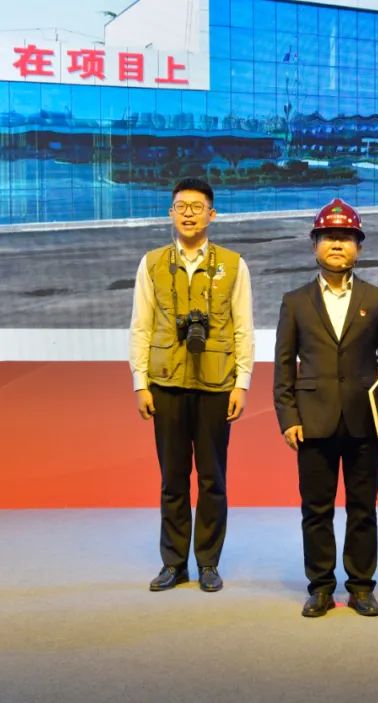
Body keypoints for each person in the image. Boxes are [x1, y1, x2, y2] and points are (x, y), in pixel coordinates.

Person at [273, 198, 378, 618]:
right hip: (313, 420)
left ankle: (362, 587)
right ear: (314, 244)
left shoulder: (377, 298)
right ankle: (321, 587)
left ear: (358, 248)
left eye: (346, 238)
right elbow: (283, 365)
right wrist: (288, 418)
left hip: (366, 420)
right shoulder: (295, 302)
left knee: (363, 509)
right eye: (329, 237)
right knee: (316, 509)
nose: (337, 244)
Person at [128, 177, 254, 593]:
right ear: (170, 213)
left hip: (217, 385)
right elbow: (141, 326)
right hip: (165, 383)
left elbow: (243, 328)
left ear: (211, 214)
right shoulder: (151, 264)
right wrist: (140, 383)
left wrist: (242, 383)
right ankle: (174, 563)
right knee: (173, 479)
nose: (188, 213)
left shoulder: (234, 265)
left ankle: (209, 563)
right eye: (181, 206)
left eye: (197, 207)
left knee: (213, 479)